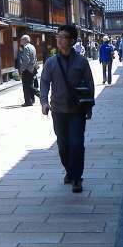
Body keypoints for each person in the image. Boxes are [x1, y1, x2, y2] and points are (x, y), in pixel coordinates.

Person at [40, 24, 95, 193]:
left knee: (77, 143)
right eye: (58, 36)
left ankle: (77, 178)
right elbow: (44, 82)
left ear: (71, 40)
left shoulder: (81, 61)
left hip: (77, 110)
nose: (59, 39)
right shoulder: (51, 62)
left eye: (63, 36)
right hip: (58, 110)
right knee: (63, 145)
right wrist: (44, 102)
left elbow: (90, 84)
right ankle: (69, 170)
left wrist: (89, 106)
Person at [15, 34, 38, 107]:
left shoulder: (26, 47)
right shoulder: (32, 47)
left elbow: (26, 60)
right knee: (30, 84)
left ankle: (28, 101)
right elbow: (35, 58)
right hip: (32, 69)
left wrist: (21, 69)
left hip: (27, 69)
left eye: (21, 40)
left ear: (25, 40)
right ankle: (32, 99)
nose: (20, 41)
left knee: (26, 86)